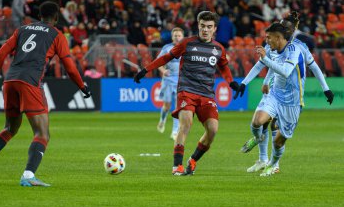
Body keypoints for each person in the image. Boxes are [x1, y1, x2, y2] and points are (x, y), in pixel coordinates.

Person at [0, 1, 91, 186]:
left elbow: (0, 54)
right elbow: (70, 68)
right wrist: (82, 87)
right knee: (42, 134)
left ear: (40, 16)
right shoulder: (57, 35)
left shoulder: (22, 29)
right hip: (30, 82)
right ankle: (28, 176)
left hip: (10, 81)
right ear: (56, 17)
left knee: (9, 129)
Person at [134, 11, 240, 176]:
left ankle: (193, 160)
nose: (205, 30)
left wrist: (232, 82)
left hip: (206, 94)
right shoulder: (187, 43)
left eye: (209, 27)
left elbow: (224, 67)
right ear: (198, 26)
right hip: (186, 90)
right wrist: (146, 70)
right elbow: (166, 58)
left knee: (212, 130)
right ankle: (177, 167)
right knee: (186, 124)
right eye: (202, 26)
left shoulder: (219, 49)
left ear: (214, 29)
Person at [236, 12, 334, 174]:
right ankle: (262, 159)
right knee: (260, 122)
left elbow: (306, 68)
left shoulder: (299, 48)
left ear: (293, 30)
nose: (285, 30)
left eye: (287, 28)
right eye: (282, 26)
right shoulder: (272, 44)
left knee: (277, 133)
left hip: (293, 98)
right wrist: (257, 82)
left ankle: (273, 164)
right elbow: (267, 64)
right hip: (275, 91)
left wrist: (326, 88)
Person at [240, 22, 309, 176]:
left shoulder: (294, 50)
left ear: (278, 38)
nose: (266, 41)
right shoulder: (272, 49)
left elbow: (285, 71)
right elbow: (262, 65)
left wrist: (265, 58)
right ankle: (258, 139)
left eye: (269, 38)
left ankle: (272, 164)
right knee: (257, 121)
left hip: (292, 102)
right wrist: (244, 83)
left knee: (279, 141)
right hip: (275, 94)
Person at [156, 27, 184, 140]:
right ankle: (162, 120)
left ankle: (174, 131)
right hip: (168, 80)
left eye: (179, 35)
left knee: (178, 106)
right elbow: (158, 63)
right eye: (175, 35)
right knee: (167, 106)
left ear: (182, 37)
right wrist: (163, 71)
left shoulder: (186, 49)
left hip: (181, 81)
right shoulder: (167, 48)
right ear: (172, 37)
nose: (177, 37)